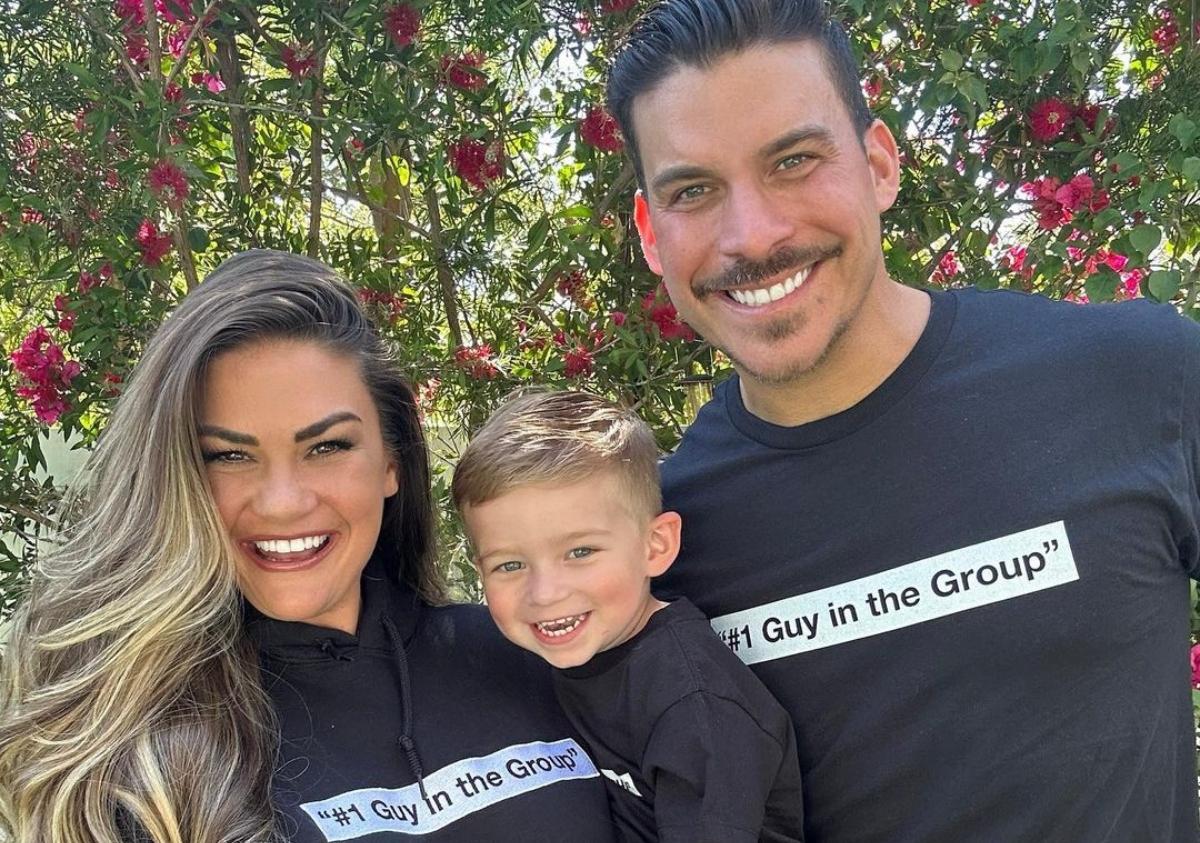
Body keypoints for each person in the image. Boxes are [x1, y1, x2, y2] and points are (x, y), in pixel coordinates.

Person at [607, 1, 1200, 841]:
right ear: (651, 234)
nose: (754, 233)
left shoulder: (1139, 377)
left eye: (795, 160)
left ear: (879, 163)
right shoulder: (660, 549)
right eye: (694, 190)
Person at [0, 250, 615, 843]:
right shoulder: (125, 757)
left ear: (391, 461)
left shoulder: (538, 654)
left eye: (327, 447)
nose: (282, 502)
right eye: (229, 456)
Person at [451, 390, 804, 842]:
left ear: (654, 546)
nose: (545, 593)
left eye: (580, 552)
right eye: (510, 565)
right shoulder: (538, 662)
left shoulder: (692, 703)